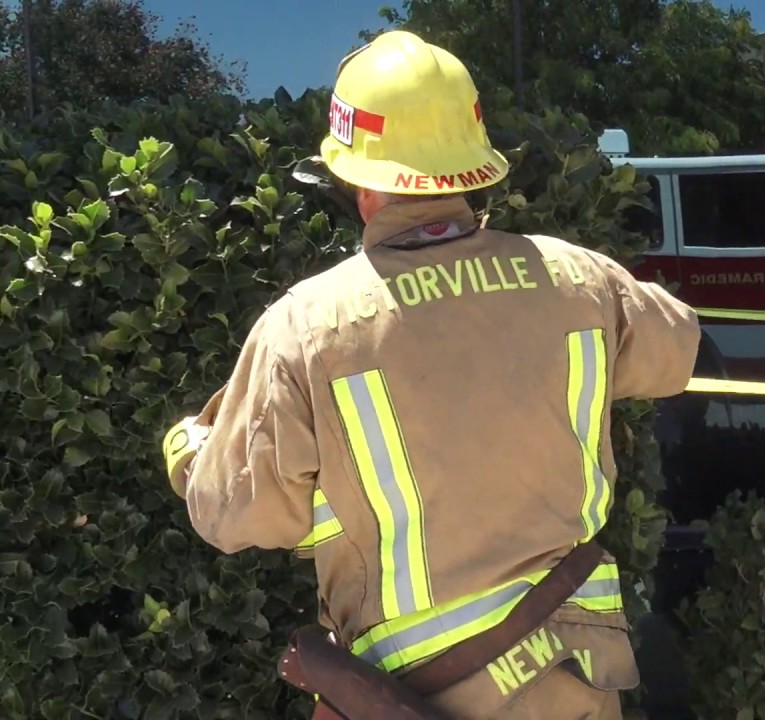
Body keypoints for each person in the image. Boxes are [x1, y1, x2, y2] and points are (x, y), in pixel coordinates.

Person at [161, 30, 701, 719]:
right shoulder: (575, 278)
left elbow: (238, 514)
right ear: (475, 169)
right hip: (576, 681)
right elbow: (678, 348)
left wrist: (188, 453)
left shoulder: (310, 326)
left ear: (359, 184)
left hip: (425, 694)